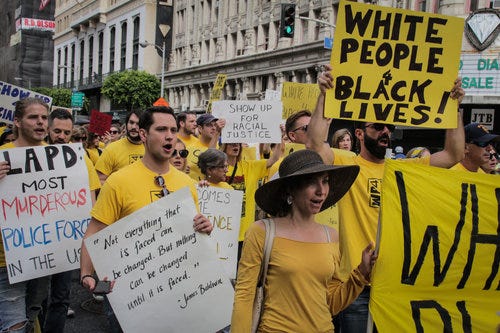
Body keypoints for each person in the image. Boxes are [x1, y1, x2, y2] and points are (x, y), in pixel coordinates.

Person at [307, 65, 465, 333]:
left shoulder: (404, 168)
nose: (385, 132)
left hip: (394, 284)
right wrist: (324, 95)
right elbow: (314, 144)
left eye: (389, 127)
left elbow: (453, 154)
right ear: (359, 133)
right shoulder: (348, 163)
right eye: (377, 126)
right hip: (356, 285)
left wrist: (455, 107)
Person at [79, 106, 213, 333]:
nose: (169, 135)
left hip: (176, 288)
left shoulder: (187, 183)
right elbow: (95, 231)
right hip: (130, 293)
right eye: (161, 129)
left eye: (172, 129)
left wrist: (205, 227)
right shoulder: (118, 182)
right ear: (143, 135)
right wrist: (85, 273)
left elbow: (193, 234)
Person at [231, 149, 377, 332]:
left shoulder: (331, 236)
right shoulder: (262, 232)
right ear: (291, 189)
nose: (321, 190)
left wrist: (361, 273)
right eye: (311, 182)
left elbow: (331, 303)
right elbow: (244, 295)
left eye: (325, 181)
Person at [42, 108, 101, 333]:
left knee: (60, 298)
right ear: (48, 130)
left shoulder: (82, 159)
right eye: (57, 131)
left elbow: (92, 200)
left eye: (66, 132)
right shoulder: (32, 157)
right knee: (37, 301)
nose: (62, 137)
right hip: (36, 242)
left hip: (66, 241)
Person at [0, 98, 52, 332]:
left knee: (31, 317)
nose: (41, 122)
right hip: (5, 260)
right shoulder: (2, 156)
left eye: (44, 117)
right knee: (15, 324)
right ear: (17, 121)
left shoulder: (59, 158)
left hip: (44, 258)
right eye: (33, 117)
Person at [221, 142, 282, 256]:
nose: (236, 146)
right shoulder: (217, 169)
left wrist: (279, 137)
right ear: (224, 146)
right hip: (222, 232)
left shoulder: (249, 166)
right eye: (232, 144)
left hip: (243, 235)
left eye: (238, 144)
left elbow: (273, 159)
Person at [95, 110, 144, 184]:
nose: (133, 127)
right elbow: (98, 180)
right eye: (131, 122)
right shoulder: (112, 149)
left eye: (138, 123)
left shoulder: (153, 149)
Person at [186, 113, 224, 181]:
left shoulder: (221, 148)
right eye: (209, 125)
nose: (213, 128)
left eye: (215, 125)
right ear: (200, 128)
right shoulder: (189, 148)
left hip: (214, 190)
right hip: (194, 189)